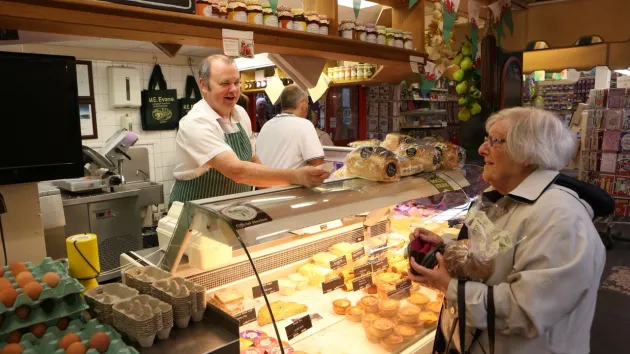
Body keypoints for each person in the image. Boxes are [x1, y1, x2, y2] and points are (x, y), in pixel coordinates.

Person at [409, 107, 609, 354]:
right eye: (486, 140)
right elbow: (496, 253)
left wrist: (450, 288)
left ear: (527, 152)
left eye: (494, 141)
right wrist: (446, 248)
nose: (482, 150)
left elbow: (526, 311)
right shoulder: (503, 198)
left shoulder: (561, 218)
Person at [169, 55, 329, 206]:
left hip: (233, 211)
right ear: (203, 85)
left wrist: (275, 198)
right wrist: (297, 176)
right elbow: (236, 171)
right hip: (194, 215)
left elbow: (253, 161)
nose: (233, 89)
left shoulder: (240, 114)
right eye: (225, 83)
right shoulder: (195, 122)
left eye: (237, 82)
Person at [256, 85, 325, 169]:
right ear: (303, 105)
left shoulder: (266, 126)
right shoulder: (304, 125)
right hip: (289, 182)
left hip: (262, 181)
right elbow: (318, 165)